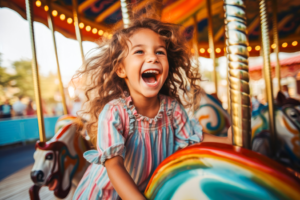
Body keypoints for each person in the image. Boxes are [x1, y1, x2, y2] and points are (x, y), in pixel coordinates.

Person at [73, 18, 232, 200]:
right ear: (121, 69)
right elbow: (114, 166)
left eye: (159, 52)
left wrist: (228, 140)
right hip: (109, 195)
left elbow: (193, 139)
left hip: (149, 191)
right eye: (139, 51)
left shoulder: (171, 108)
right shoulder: (114, 113)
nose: (152, 57)